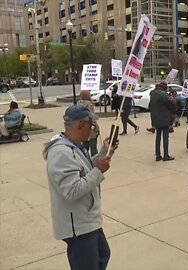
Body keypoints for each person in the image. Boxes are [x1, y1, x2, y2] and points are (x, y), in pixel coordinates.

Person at [42, 104, 119, 270]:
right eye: (92, 125)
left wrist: (106, 151)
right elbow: (71, 191)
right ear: (81, 124)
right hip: (78, 226)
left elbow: (85, 168)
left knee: (102, 255)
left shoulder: (74, 146)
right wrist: (98, 171)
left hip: (88, 219)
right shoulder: (61, 153)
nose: (93, 129)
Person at [149, 82, 176, 161]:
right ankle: (166, 155)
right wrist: (173, 97)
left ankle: (158, 155)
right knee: (165, 137)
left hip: (155, 118)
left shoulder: (152, 95)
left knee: (158, 137)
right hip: (164, 118)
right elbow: (172, 105)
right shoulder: (164, 95)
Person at [77, 90, 100, 156]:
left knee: (84, 146)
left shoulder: (78, 103)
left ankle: (84, 159)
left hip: (82, 127)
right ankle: (94, 161)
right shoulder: (90, 105)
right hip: (90, 127)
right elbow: (91, 117)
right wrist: (96, 125)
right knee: (93, 147)